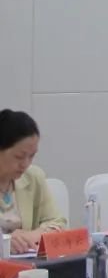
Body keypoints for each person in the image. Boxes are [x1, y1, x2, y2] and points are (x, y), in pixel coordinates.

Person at [0, 109, 65, 254]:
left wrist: (31, 235)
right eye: (19, 156)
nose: (25, 164)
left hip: (27, 263)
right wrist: (5, 241)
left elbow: (57, 222)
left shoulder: (33, 177)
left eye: (31, 156)